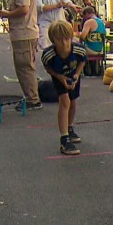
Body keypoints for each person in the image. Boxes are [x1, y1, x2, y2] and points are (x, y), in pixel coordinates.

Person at [0, 0, 43, 110]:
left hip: (24, 33)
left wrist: (7, 13)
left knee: (24, 68)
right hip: (24, 33)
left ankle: (33, 99)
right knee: (25, 67)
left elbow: (24, 9)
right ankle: (31, 97)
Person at [41, 20, 87, 156]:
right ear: (53, 40)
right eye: (59, 40)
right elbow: (47, 67)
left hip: (73, 75)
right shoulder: (49, 54)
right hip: (59, 76)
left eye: (67, 39)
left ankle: (69, 127)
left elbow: (83, 60)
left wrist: (77, 75)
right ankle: (64, 139)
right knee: (64, 102)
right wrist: (60, 78)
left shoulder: (78, 49)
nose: (64, 43)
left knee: (73, 102)